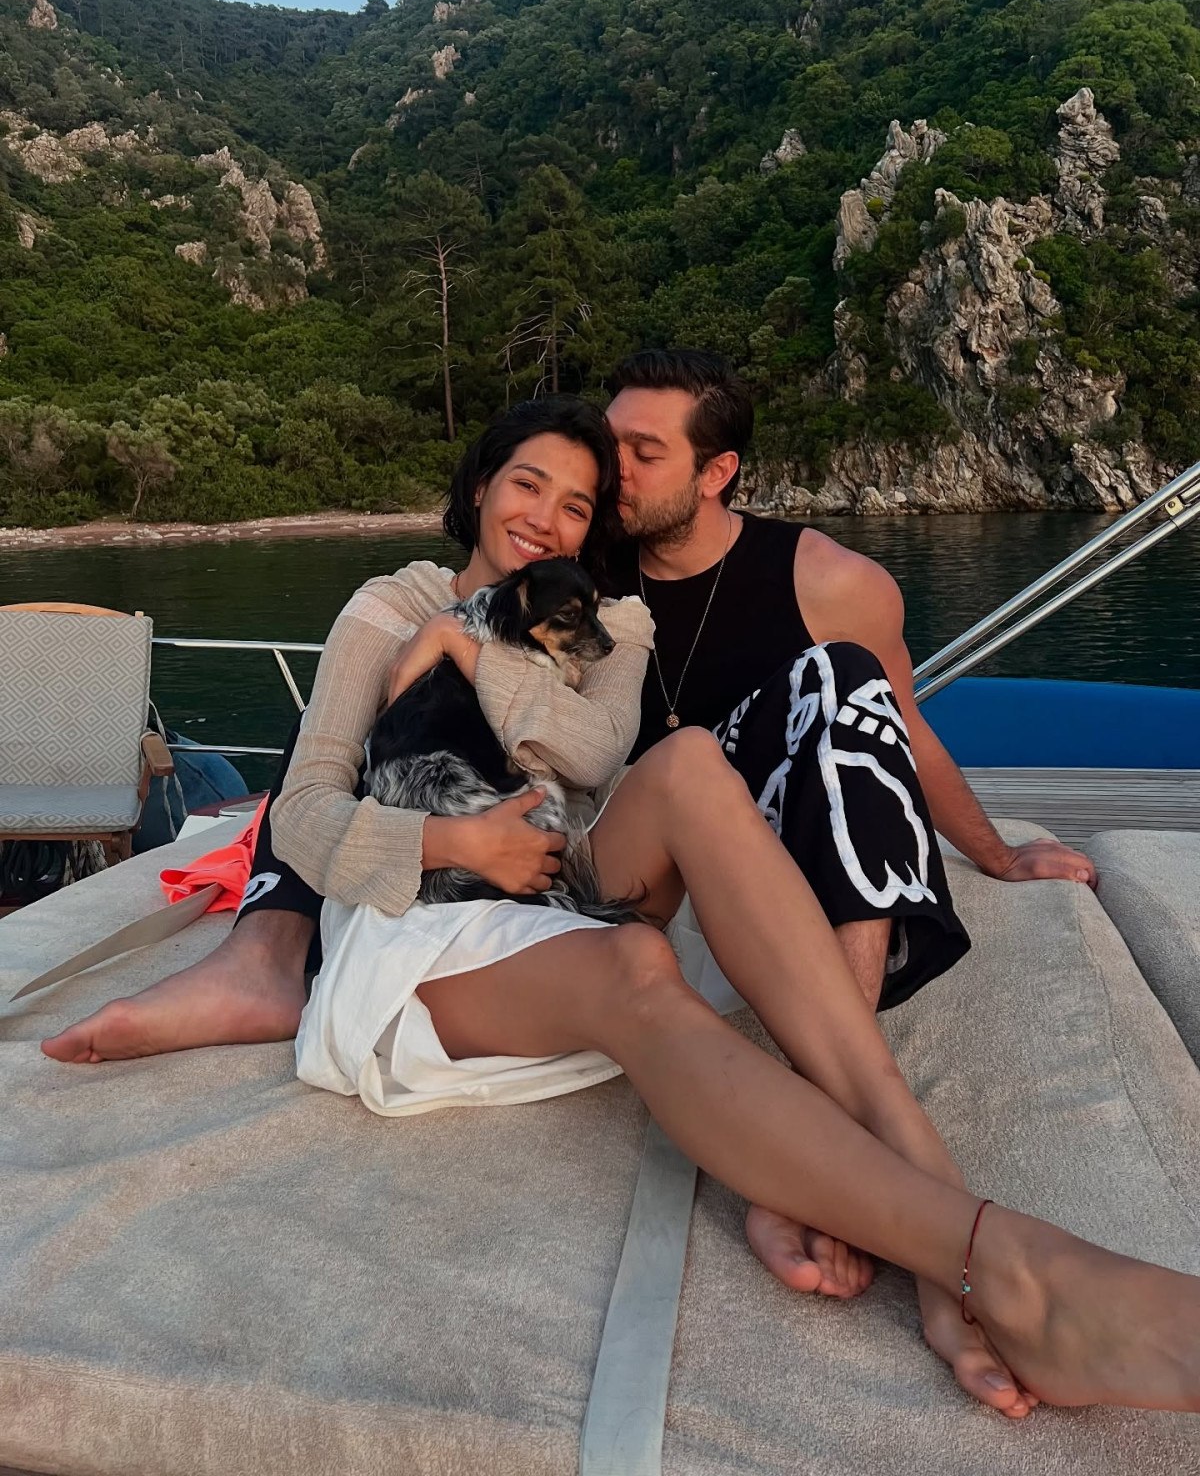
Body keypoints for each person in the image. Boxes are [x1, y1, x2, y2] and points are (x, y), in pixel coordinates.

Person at [37, 396, 1200, 1419]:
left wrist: (469, 653)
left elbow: (596, 750)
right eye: (526, 484)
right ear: (479, 487)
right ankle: (1006, 1267)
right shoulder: (390, 604)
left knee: (687, 762)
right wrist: (457, 838)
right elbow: (302, 817)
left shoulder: (611, 622)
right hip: (423, 917)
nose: (546, 518)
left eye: (579, 504)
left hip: (566, 877)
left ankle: (925, 1214)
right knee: (641, 972)